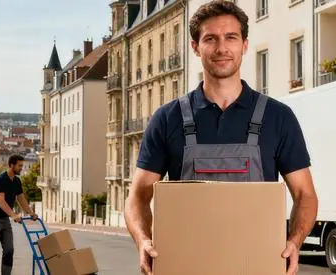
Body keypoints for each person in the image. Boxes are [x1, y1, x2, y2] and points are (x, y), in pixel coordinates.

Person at [124, 1, 318, 275]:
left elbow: (305, 194)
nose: (221, 48)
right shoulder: (168, 118)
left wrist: (295, 241)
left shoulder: (278, 117)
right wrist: (143, 240)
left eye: (231, 37)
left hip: (256, 265)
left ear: (245, 45)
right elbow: (137, 197)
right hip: (186, 266)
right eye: (210, 39)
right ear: (195, 47)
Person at [0, 155, 38, 275]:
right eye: (19, 165)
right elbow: (0, 201)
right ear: (11, 165)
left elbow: (21, 199)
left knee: (9, 250)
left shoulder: (17, 181)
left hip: (5, 220)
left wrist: (31, 212)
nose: (21, 168)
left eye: (22, 165)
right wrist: (13, 215)